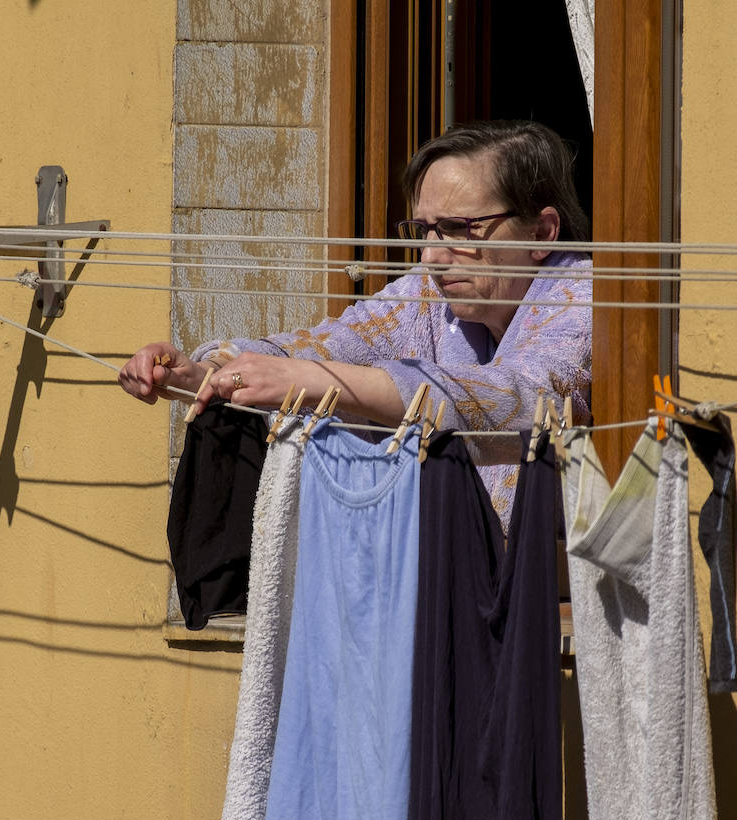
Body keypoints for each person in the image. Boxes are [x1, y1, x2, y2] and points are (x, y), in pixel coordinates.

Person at [118, 119, 593, 524]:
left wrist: (315, 381)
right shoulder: (429, 293)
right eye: (424, 230)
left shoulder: (593, 296)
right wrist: (210, 375)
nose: (431, 256)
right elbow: (334, 343)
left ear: (542, 232)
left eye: (458, 229)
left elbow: (526, 400)